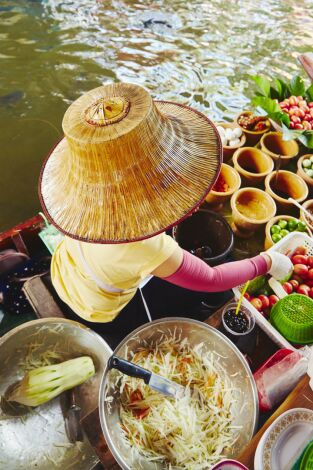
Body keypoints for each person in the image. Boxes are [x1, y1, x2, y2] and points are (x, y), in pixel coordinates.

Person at [38, 82, 292, 344]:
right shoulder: (144, 245)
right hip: (97, 310)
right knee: (182, 298)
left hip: (64, 273)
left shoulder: (84, 199)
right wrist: (266, 262)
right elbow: (212, 278)